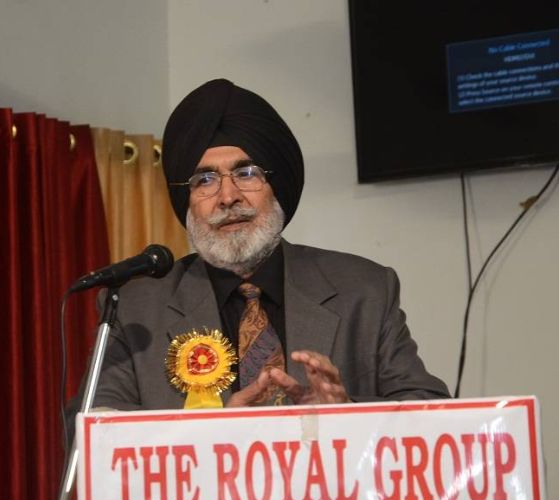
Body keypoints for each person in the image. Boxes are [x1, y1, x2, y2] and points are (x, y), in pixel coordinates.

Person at [92, 79, 450, 411]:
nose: (228, 197)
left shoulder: (365, 290)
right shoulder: (136, 308)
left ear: (277, 187)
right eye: (205, 180)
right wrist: (210, 435)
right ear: (187, 200)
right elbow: (92, 428)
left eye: (247, 173)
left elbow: (429, 409)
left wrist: (347, 411)